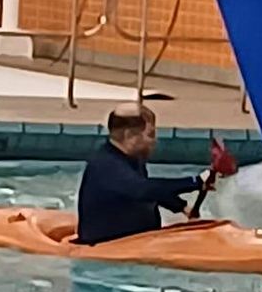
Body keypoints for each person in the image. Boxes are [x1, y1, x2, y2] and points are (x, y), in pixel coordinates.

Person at [76, 105, 207, 246]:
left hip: (134, 239)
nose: (154, 140)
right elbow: (143, 190)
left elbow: (151, 190)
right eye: (150, 134)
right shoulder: (106, 165)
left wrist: (182, 207)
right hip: (107, 245)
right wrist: (195, 182)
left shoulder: (131, 159)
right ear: (129, 136)